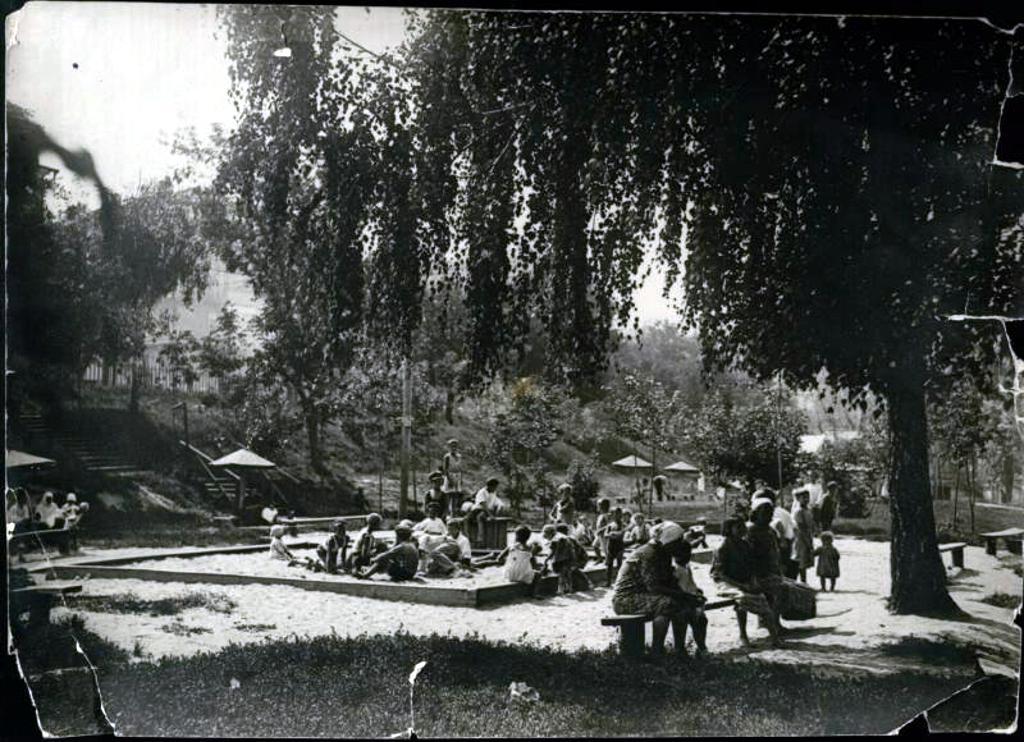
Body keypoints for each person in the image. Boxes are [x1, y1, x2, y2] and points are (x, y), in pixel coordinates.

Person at [612, 521, 705, 658]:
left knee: (681, 605)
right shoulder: (649, 553)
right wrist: (683, 596)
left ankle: (679, 650)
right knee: (669, 603)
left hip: (644, 596)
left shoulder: (662, 553)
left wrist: (689, 596)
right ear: (668, 540)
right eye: (677, 541)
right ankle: (657, 651)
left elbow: (669, 582)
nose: (680, 544)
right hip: (626, 599)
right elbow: (653, 586)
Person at [710, 516, 782, 648]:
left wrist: (752, 582)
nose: (743, 529)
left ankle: (774, 637)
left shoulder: (744, 545)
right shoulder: (723, 547)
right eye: (738, 527)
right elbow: (719, 574)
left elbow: (751, 567)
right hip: (725, 582)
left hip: (743, 580)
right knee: (743, 597)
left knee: (761, 596)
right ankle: (743, 635)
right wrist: (742, 586)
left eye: (743, 526)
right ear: (728, 529)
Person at [672, 539, 710, 657]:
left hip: (690, 598)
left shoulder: (686, 566)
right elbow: (675, 589)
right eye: (683, 554)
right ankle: (680, 649)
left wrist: (698, 592)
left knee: (701, 620)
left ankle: (701, 647)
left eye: (689, 553)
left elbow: (691, 584)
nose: (687, 556)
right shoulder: (674, 568)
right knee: (683, 617)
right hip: (680, 600)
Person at [355, 520, 420, 582]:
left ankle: (365, 575)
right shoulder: (410, 544)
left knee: (383, 560)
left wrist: (373, 559)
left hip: (406, 574)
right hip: (411, 573)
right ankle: (368, 572)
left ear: (399, 536)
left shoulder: (402, 546)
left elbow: (384, 556)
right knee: (386, 557)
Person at [541, 524, 577, 594]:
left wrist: (546, 559)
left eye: (547, 536)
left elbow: (552, 552)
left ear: (550, 533)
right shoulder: (561, 536)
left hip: (562, 558)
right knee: (567, 573)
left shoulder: (555, 540)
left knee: (562, 574)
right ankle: (569, 588)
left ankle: (560, 590)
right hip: (569, 556)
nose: (547, 538)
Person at [790, 488, 816, 583]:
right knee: (800, 561)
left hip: (808, 536)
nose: (806, 499)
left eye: (807, 497)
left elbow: (810, 524)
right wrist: (807, 542)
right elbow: (801, 528)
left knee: (804, 561)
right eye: (803, 497)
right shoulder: (798, 511)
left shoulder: (808, 510)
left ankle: (803, 581)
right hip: (801, 538)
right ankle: (801, 581)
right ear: (798, 499)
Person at [467, 477, 503, 542]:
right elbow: (483, 505)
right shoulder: (482, 492)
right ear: (490, 486)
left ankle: (485, 538)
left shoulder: (493, 493)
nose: (495, 489)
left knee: (482, 517)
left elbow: (497, 502)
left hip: (487, 510)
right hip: (479, 509)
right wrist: (490, 515)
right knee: (476, 518)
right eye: (494, 487)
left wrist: (499, 507)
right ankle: (477, 537)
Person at [599, 506, 627, 586]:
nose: (616, 516)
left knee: (619, 565)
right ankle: (608, 582)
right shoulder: (610, 525)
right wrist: (611, 535)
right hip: (611, 546)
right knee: (609, 565)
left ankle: (620, 582)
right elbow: (605, 534)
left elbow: (621, 535)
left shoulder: (622, 524)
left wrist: (613, 535)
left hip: (619, 546)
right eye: (614, 514)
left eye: (618, 514)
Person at [441, 438, 464, 517]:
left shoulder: (459, 456)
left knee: (456, 496)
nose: (454, 448)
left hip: (457, 475)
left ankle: (453, 514)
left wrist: (461, 479)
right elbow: (445, 469)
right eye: (452, 446)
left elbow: (461, 468)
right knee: (448, 495)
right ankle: (446, 513)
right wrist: (449, 479)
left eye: (455, 446)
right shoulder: (447, 457)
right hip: (450, 476)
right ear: (449, 447)